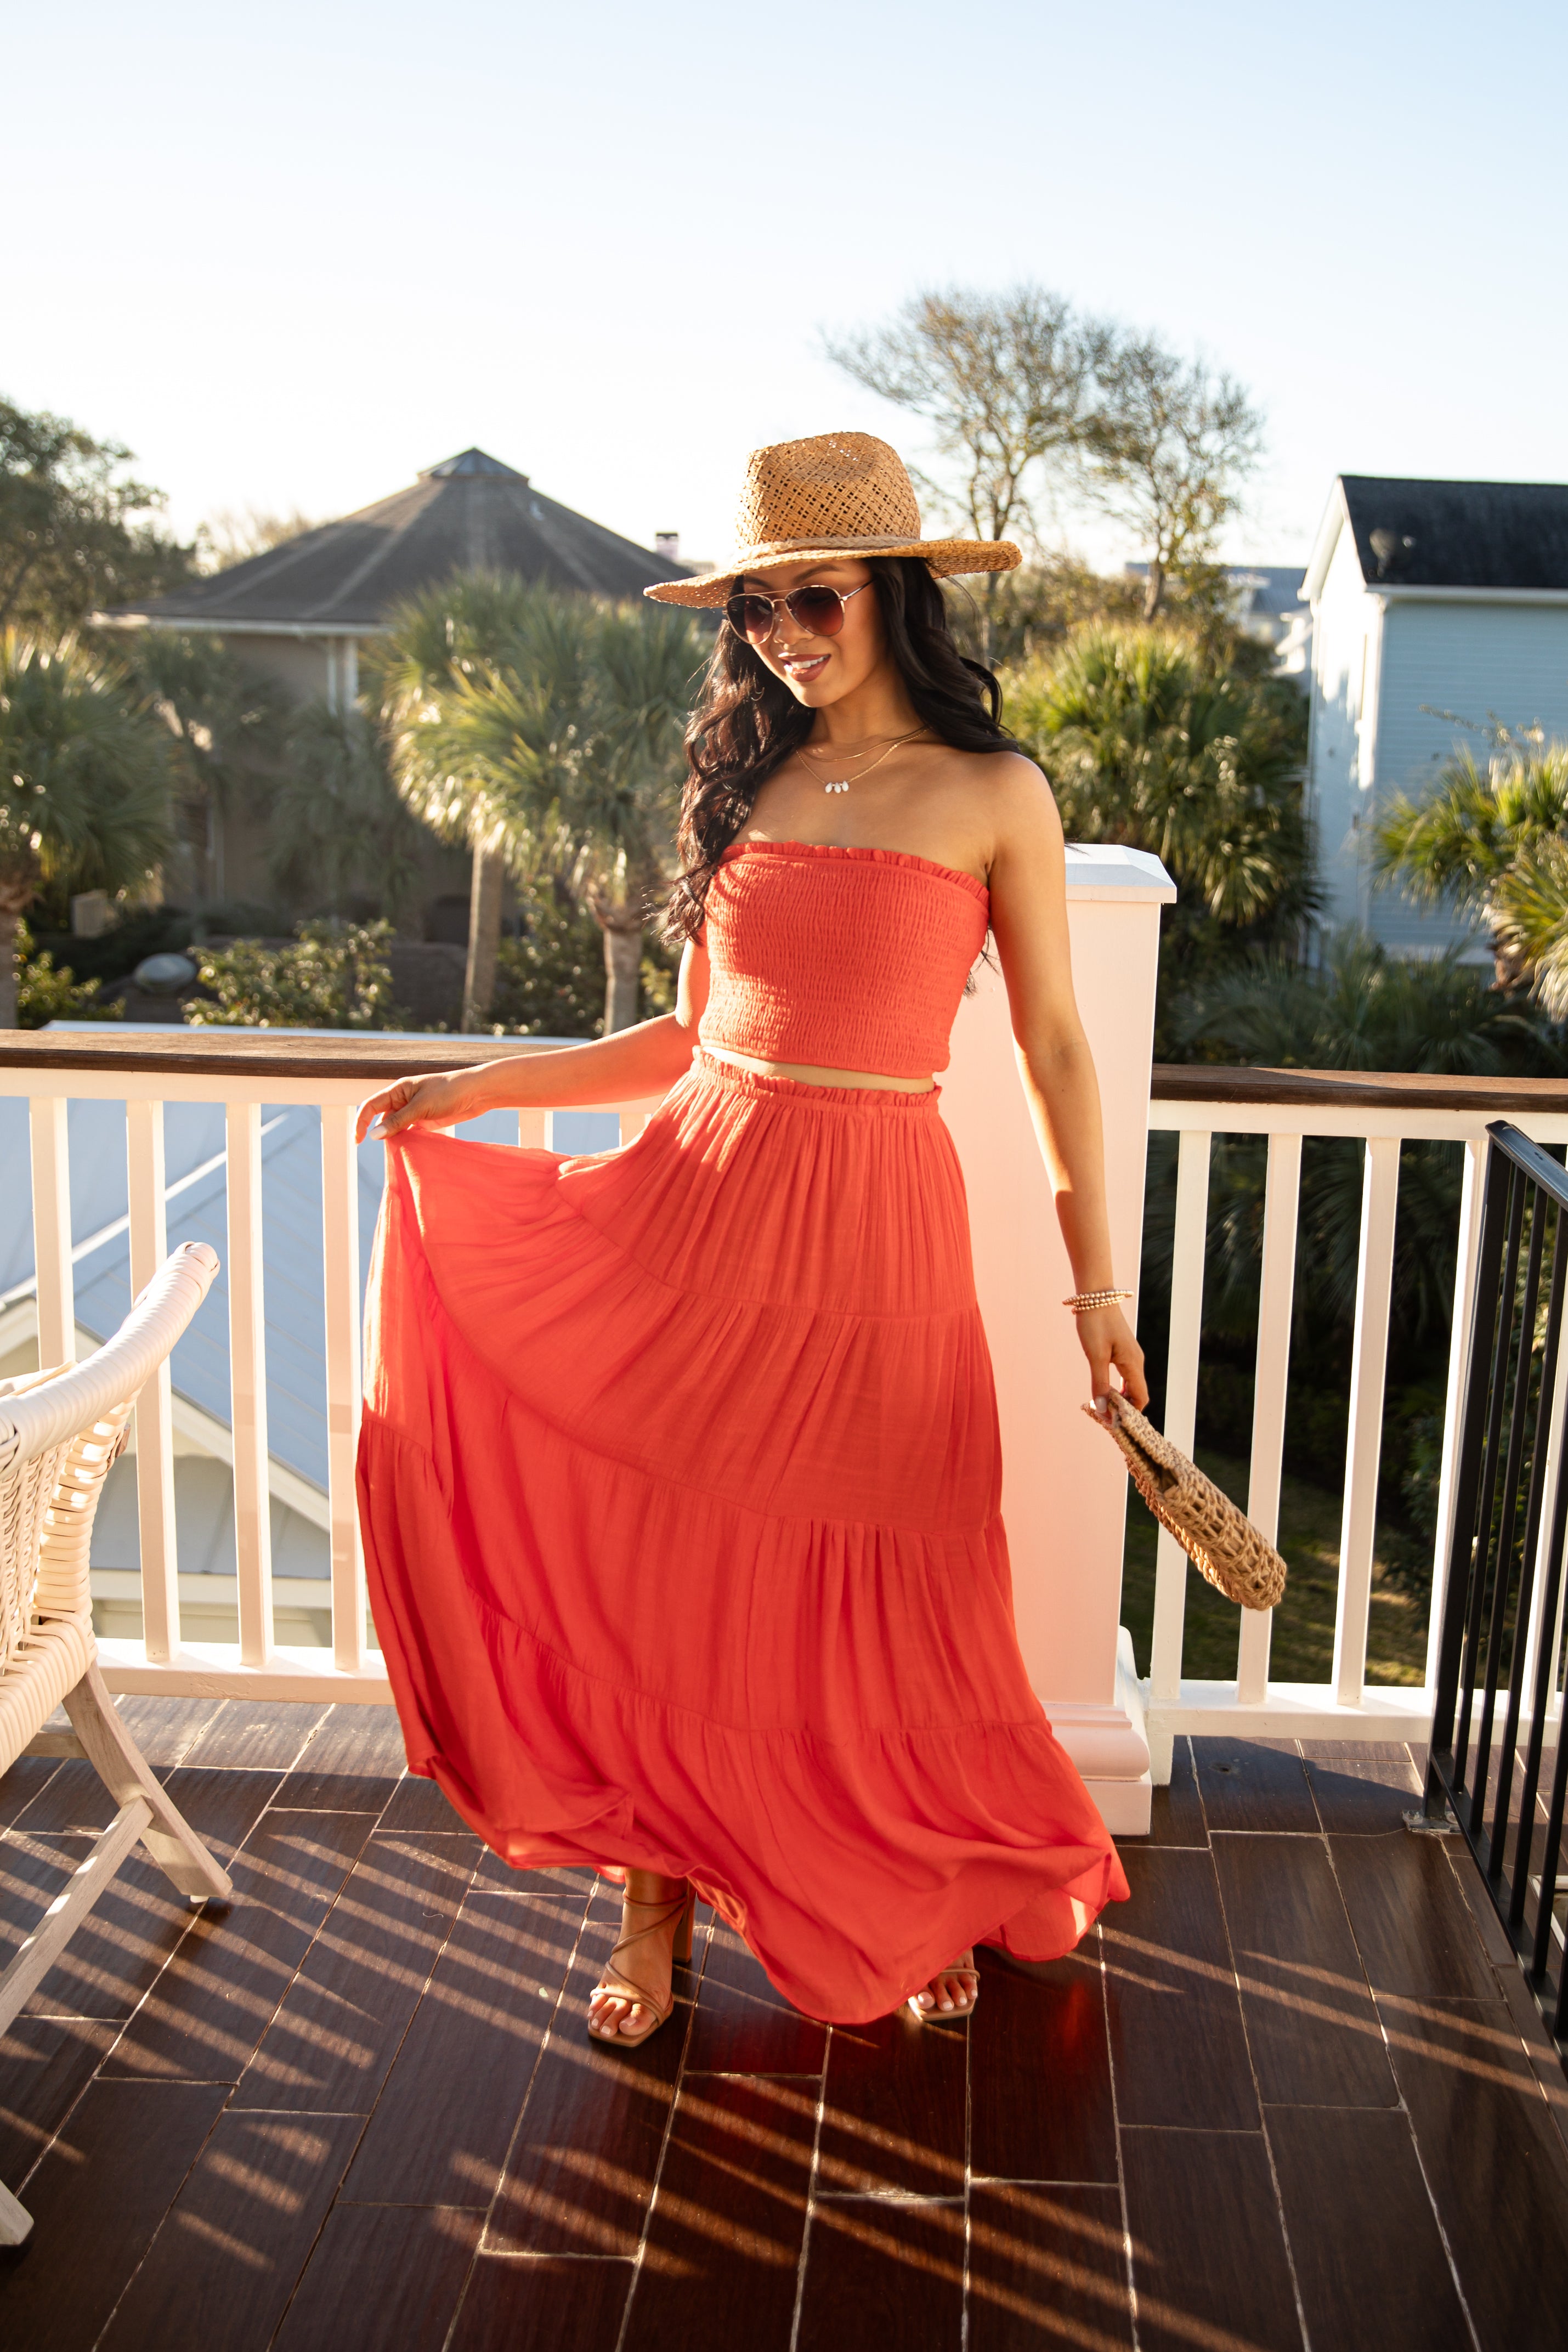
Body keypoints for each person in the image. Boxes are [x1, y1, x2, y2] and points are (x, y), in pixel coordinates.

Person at [355, 431, 1144, 2048]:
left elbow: (1054, 1047)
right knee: (670, 1576)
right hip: (698, 1199)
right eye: (759, 606)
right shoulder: (752, 778)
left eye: (816, 597)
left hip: (875, 1225)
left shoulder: (995, 790)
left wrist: (1096, 1281)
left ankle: (901, 1881)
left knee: (879, 1585)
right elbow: (689, 1035)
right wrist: (479, 1086)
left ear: (896, 593)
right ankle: (655, 1918)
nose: (785, 631)